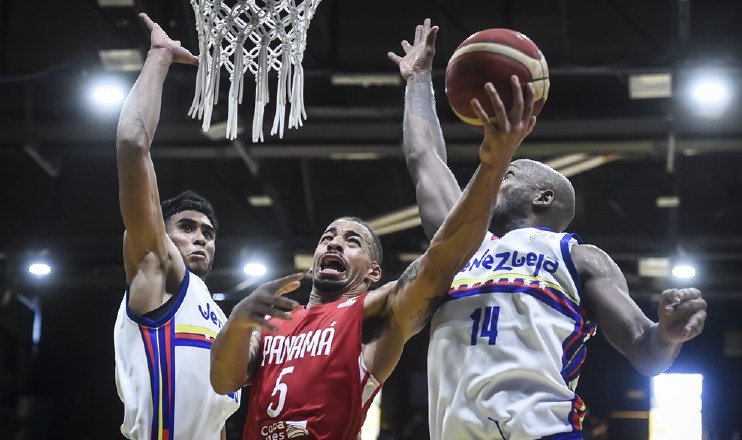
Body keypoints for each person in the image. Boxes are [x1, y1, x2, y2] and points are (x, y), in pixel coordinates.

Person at [391, 19, 708, 440]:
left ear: (543, 197)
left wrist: (667, 333)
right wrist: (417, 80)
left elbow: (643, 348)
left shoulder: (577, 257)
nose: (491, 175)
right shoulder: (460, 244)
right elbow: (424, 156)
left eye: (510, 173)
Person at [209, 44, 540, 439]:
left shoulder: (375, 314)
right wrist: (240, 317)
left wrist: (492, 163)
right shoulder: (273, 324)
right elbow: (223, 382)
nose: (334, 244)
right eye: (327, 237)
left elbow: (440, 259)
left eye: (352, 241)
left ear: (373, 272)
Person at [113, 13, 240, 440]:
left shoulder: (217, 318)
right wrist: (160, 58)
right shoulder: (156, 265)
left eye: (208, 233)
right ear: (162, 233)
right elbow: (133, 144)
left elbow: (216, 424)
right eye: (187, 227)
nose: (201, 237)